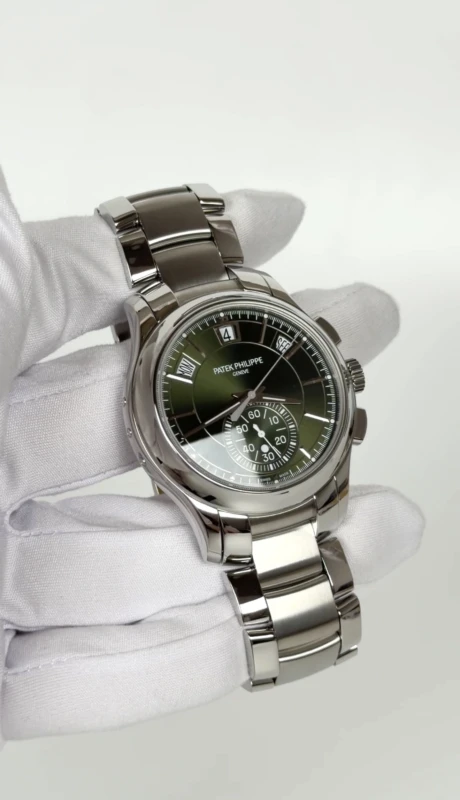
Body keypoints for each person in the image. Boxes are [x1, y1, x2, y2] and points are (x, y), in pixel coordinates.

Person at [0, 169, 424, 741]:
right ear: (143, 431)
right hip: (225, 478)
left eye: (253, 391)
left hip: (297, 472)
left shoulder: (305, 364)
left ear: (343, 380)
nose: (246, 397)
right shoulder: (155, 388)